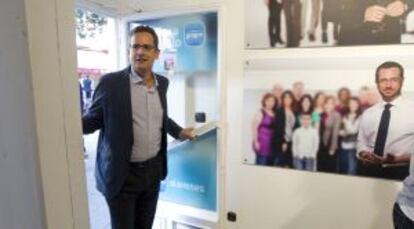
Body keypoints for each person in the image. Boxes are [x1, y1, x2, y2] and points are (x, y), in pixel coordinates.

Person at [82, 25, 195, 229]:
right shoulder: (111, 83)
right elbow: (91, 121)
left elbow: (159, 116)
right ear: (129, 51)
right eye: (135, 47)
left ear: (156, 53)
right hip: (122, 176)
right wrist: (63, 119)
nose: (140, 52)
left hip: (152, 172)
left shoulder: (162, 83)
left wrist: (178, 131)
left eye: (146, 47)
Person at [357, 61, 414, 180]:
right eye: (383, 80)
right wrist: (363, 153)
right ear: (377, 83)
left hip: (405, 174)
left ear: (402, 81)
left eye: (393, 80)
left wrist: (397, 159)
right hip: (369, 173)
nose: (388, 85)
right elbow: (361, 142)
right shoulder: (368, 113)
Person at [339, 0, 414, 45]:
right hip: (354, 42)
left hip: (390, 40)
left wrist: (405, 5)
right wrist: (362, 15)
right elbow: (330, 12)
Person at [252, 93, 277, 165]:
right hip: (262, 143)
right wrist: (256, 141)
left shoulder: (274, 113)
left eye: (273, 101)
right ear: (265, 101)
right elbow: (254, 127)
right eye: (268, 101)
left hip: (272, 144)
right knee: (261, 162)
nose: (270, 103)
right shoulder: (261, 112)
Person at [338, 97, 362, 175]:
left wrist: (346, 122)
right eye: (351, 103)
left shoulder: (360, 117)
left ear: (358, 105)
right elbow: (340, 131)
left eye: (354, 104)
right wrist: (344, 132)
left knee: (352, 170)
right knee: (343, 169)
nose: (352, 105)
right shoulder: (345, 116)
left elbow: (354, 130)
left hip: (353, 148)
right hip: (343, 146)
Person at [317, 96, 341, 173]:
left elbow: (335, 133)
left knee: (330, 168)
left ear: (334, 105)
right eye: (327, 103)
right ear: (324, 104)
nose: (329, 105)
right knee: (320, 168)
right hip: (321, 145)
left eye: (331, 104)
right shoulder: (321, 115)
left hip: (330, 145)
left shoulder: (336, 115)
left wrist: (332, 148)